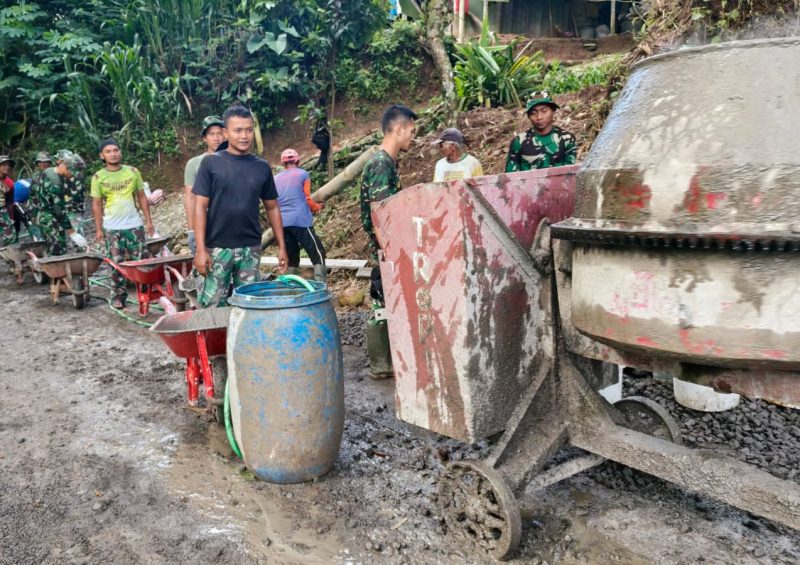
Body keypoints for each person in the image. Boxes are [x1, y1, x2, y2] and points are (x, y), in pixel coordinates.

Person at [192, 105, 288, 308]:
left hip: (250, 249)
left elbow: (272, 207)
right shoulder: (211, 164)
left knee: (247, 306)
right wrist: (201, 249)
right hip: (217, 248)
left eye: (248, 129)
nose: (244, 136)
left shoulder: (261, 167)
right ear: (226, 133)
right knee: (212, 306)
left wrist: (282, 246)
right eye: (237, 130)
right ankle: (214, 341)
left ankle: (238, 340)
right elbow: (200, 206)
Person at [359, 104, 417, 379]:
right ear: (398, 129)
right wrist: (390, 252)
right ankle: (382, 365)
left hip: (385, 248)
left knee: (382, 303)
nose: (412, 138)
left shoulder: (384, 162)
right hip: (384, 249)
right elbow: (378, 212)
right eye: (411, 131)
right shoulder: (381, 163)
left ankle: (385, 363)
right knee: (382, 305)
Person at [91, 138, 154, 309]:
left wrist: (148, 220)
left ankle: (146, 294)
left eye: (115, 150)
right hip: (112, 228)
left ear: (120, 152)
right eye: (108, 151)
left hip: (134, 225)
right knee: (116, 264)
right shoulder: (98, 177)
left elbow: (141, 196)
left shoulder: (132, 172)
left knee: (142, 263)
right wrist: (98, 229)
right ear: (102, 156)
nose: (113, 154)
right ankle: (118, 297)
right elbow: (96, 204)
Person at [274, 148, 327, 283]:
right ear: (298, 161)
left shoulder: (276, 178)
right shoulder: (303, 174)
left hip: (282, 223)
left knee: (292, 255)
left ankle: (290, 285)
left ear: (282, 164)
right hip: (300, 220)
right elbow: (307, 198)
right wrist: (317, 207)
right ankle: (320, 283)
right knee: (317, 251)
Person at [28, 153, 88, 256]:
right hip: (50, 218)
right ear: (64, 166)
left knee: (53, 247)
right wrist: (72, 233)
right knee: (57, 250)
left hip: (46, 216)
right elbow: (59, 210)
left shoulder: (49, 171)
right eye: (71, 172)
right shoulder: (56, 183)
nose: (72, 175)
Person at [506, 91, 577, 172]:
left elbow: (570, 174)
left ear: (553, 111)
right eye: (533, 113)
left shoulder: (566, 139)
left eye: (544, 111)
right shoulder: (519, 142)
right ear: (528, 116)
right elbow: (510, 178)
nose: (539, 117)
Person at [184, 115, 225, 253]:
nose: (216, 138)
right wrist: (191, 229)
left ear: (225, 135)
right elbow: (190, 197)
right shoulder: (194, 164)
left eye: (220, 133)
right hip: (205, 223)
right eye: (212, 134)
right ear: (204, 138)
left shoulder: (234, 160)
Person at [55, 150, 88, 236]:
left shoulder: (74, 174)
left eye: (58, 160)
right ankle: (80, 245)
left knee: (76, 228)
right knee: (75, 227)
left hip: (74, 207)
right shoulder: (67, 174)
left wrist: (66, 205)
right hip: (71, 206)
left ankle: (82, 246)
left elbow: (76, 196)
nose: (56, 162)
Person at [0, 155, 16, 245]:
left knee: (9, 238)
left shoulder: (10, 183)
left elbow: (10, 202)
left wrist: (11, 217)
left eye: (9, 165)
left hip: (3, 211)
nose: (7, 167)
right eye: (4, 165)